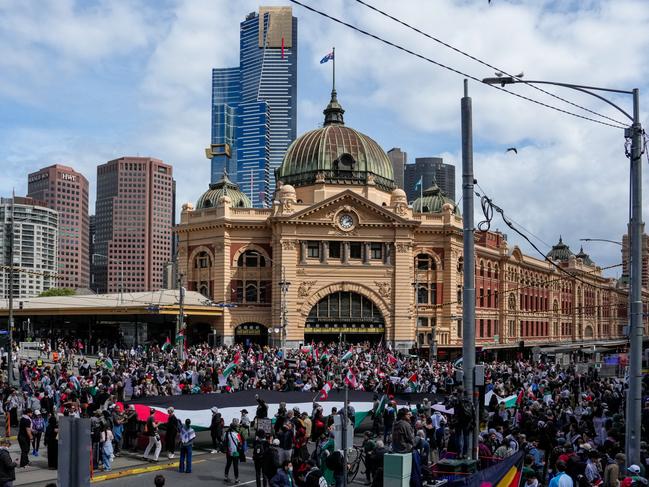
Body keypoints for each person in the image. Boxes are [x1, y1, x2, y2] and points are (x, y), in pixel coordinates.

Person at [225, 418, 243, 483]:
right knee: (235, 466)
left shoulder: (226, 433)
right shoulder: (237, 434)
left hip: (228, 451)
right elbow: (240, 443)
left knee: (228, 464)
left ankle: (226, 477)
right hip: (235, 452)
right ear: (235, 427)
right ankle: (236, 479)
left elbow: (224, 440)